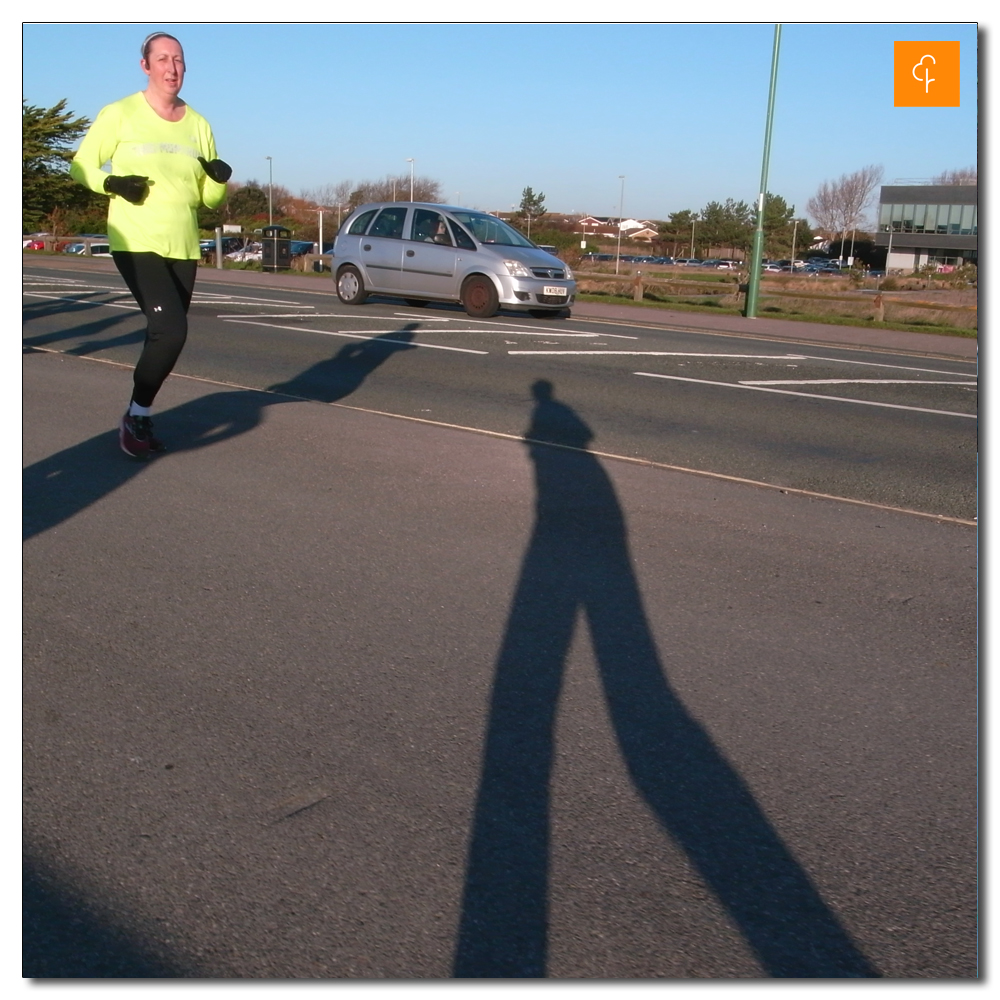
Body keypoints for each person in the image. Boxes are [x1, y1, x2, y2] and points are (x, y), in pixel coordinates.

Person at [70, 31, 231, 458]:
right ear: (146, 66)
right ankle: (137, 416)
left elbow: (206, 199)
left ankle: (137, 411)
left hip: (183, 244)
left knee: (164, 336)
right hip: (134, 238)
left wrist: (218, 181)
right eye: (163, 59)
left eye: (178, 60)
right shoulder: (120, 113)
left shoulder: (199, 124)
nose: (172, 68)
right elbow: (80, 165)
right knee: (171, 330)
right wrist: (113, 183)